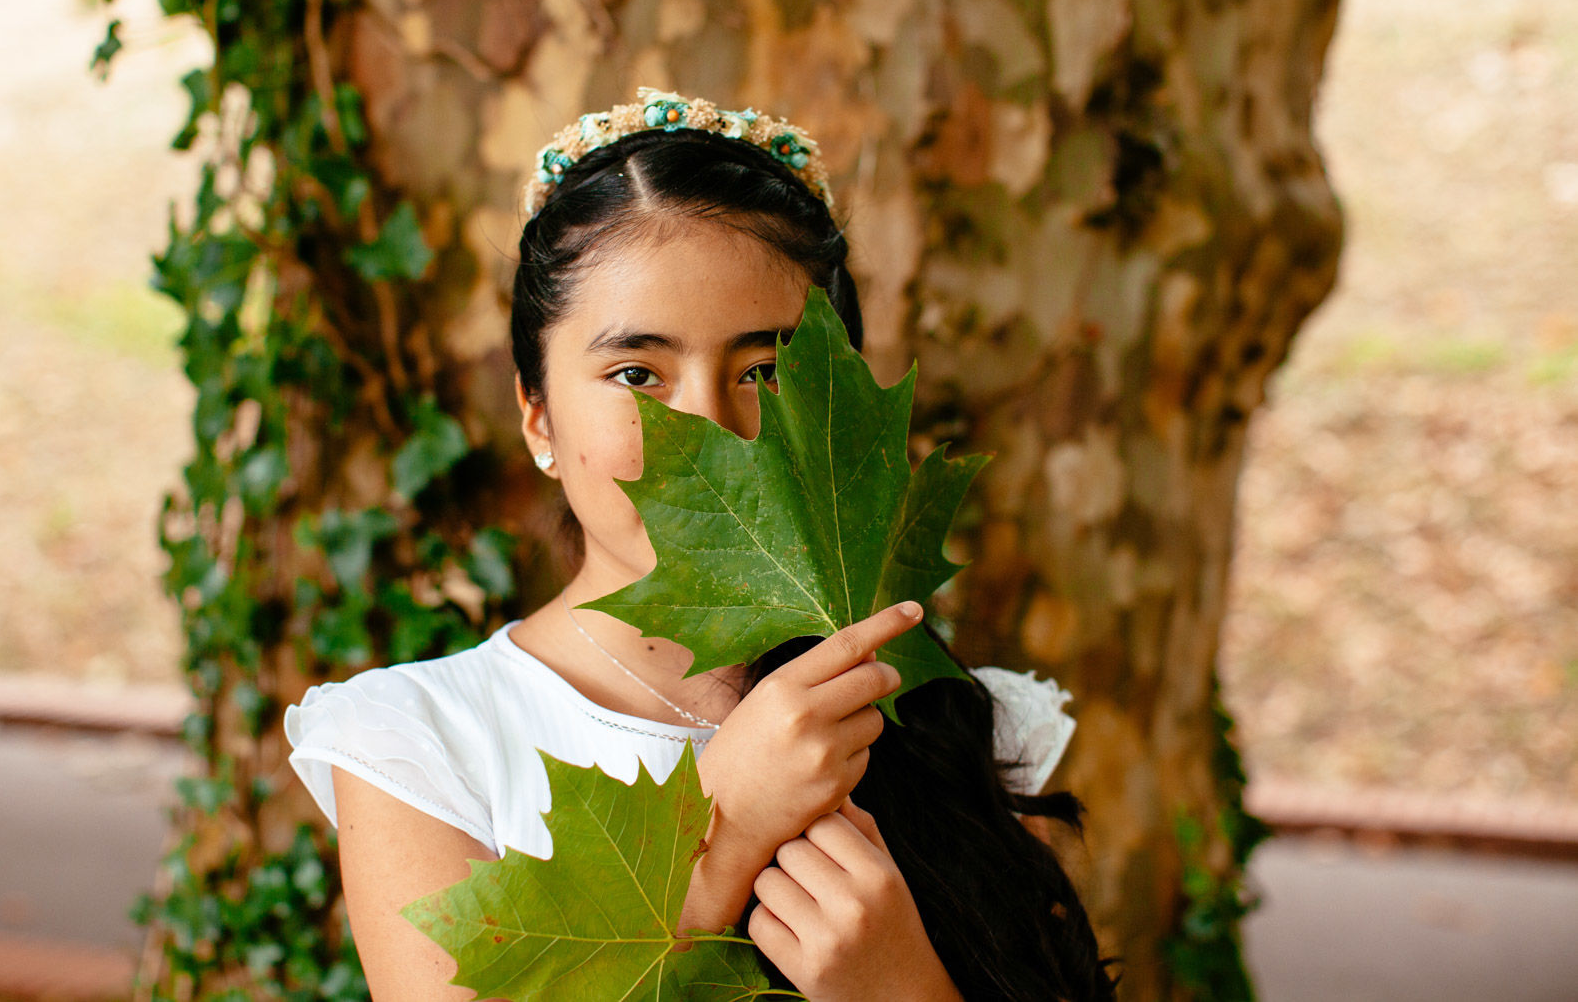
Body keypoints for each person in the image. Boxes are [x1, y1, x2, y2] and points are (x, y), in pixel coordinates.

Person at [285, 90, 1117, 1002]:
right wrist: (717, 838)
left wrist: (903, 990)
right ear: (538, 415)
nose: (709, 428)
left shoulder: (942, 718)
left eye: (762, 369)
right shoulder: (423, 746)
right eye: (636, 373)